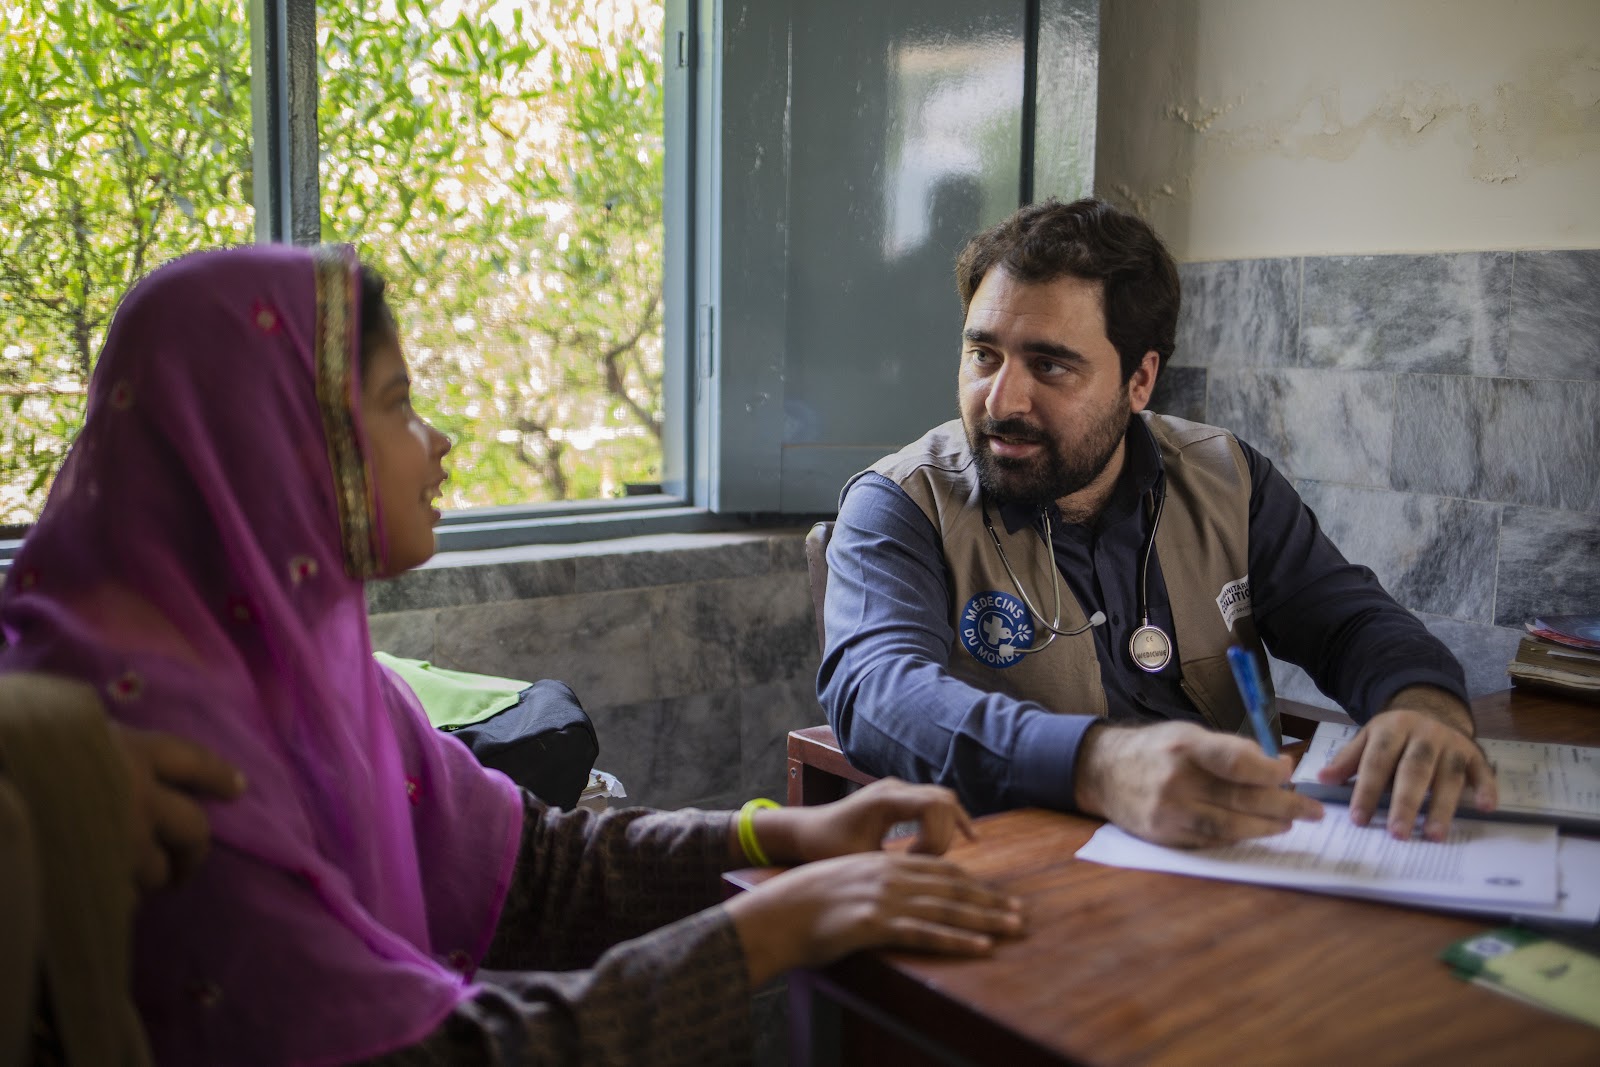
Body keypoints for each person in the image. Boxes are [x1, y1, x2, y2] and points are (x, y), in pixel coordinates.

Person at [0, 243, 1025, 1066]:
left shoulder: (316, 677)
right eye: (398, 403)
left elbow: (536, 870)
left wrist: (787, 838)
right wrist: (764, 932)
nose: (437, 440)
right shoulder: (166, 758)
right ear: (277, 447)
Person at [818, 197, 1498, 849]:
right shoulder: (901, 503)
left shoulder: (1225, 477)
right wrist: (1099, 764)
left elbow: (1350, 622)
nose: (1002, 399)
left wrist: (1423, 706)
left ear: (1140, 380)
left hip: (1232, 855)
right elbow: (878, 693)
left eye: (1049, 364)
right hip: (1014, 870)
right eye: (983, 354)